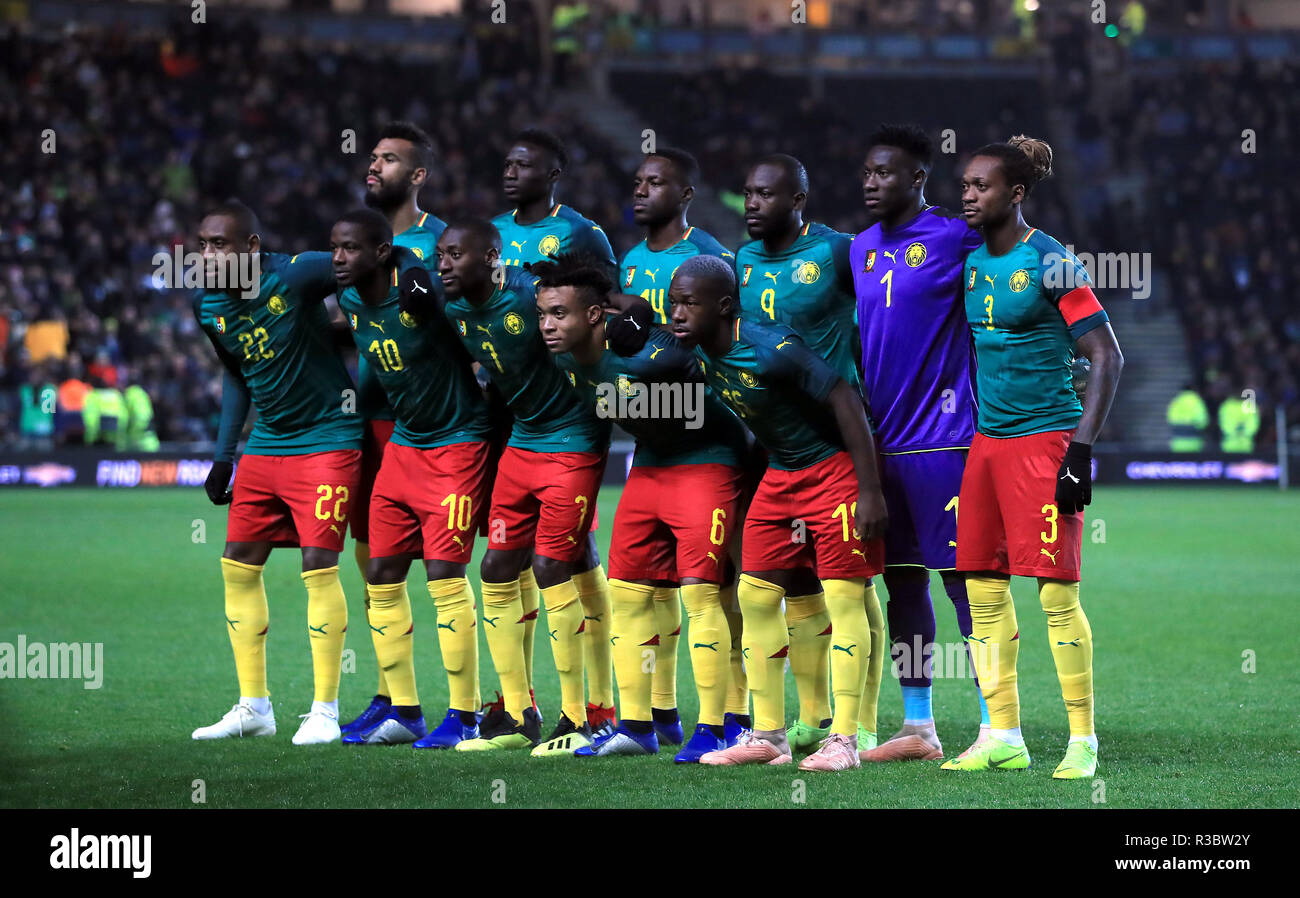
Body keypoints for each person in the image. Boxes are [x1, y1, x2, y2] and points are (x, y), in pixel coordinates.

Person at [943, 136, 1123, 779]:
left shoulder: (1052, 263)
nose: (967, 195)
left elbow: (1107, 354)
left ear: (1015, 193)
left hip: (1044, 443)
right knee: (982, 590)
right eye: (964, 184)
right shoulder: (969, 262)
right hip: (986, 446)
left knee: (1055, 594)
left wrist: (1080, 453)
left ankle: (1082, 741)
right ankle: (1004, 735)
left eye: (981, 186)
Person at [670, 255, 889, 772]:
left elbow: (843, 396)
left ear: (724, 307)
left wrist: (871, 490)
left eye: (688, 304)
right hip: (781, 474)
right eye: (674, 302)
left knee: (843, 599)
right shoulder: (695, 348)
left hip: (831, 469)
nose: (676, 313)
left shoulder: (768, 346)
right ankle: (769, 734)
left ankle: (845, 740)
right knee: (754, 593)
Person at [539, 253, 749, 761]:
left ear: (593, 316)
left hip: (709, 461)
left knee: (703, 595)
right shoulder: (563, 356)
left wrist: (638, 317)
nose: (547, 325)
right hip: (650, 466)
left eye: (559, 314)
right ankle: (636, 727)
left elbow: (679, 352)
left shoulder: (643, 350)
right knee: (630, 593)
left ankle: (720, 724)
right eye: (543, 314)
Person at [434, 219, 612, 754]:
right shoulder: (457, 311)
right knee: (495, 566)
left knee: (554, 565)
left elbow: (600, 316)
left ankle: (581, 717)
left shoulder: (531, 298)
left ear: (488, 258)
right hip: (523, 441)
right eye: (439, 254)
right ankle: (517, 716)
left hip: (574, 440)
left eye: (454, 254)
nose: (442, 264)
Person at [191, 200, 363, 745]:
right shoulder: (208, 306)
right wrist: (224, 454)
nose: (208, 253)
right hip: (267, 445)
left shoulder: (297, 274)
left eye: (220, 243)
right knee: (238, 564)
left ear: (251, 248)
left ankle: (325, 710)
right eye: (203, 244)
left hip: (329, 439)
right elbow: (236, 376)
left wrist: (363, 311)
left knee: (318, 563)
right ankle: (254, 707)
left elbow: (371, 264)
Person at [851, 123, 990, 763]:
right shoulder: (857, 249)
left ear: (917, 179)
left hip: (945, 440)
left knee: (967, 583)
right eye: (868, 172)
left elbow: (1020, 252)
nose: (872, 182)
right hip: (880, 446)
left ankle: (999, 723)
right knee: (903, 586)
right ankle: (918, 728)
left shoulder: (956, 235)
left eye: (886, 173)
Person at [332, 208, 494, 748]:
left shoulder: (427, 295)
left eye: (349, 248)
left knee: (445, 573)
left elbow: (481, 339)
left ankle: (465, 714)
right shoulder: (352, 301)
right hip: (404, 445)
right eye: (334, 248)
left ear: (380, 253)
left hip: (457, 443)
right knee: (380, 571)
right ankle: (404, 710)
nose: (337, 258)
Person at [734, 153, 879, 754]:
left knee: (856, 590)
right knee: (777, 589)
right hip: (781, 452)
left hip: (841, 437)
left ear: (797, 201)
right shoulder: (740, 262)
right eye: (747, 193)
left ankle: (857, 726)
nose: (751, 204)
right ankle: (782, 728)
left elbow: (890, 303)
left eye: (765, 195)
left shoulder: (837, 251)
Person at [492, 128, 620, 734]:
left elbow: (607, 304)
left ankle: (591, 704)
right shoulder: (492, 234)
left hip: (571, 414)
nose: (513, 171)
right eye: (509, 162)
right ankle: (519, 705)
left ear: (553, 174)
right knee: (521, 561)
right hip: (516, 415)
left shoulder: (580, 232)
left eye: (526, 164)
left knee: (562, 559)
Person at [618, 145, 739, 743]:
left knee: (718, 587)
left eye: (656, 182)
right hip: (652, 446)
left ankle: (732, 718)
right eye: (638, 181)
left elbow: (713, 347)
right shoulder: (632, 258)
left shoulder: (710, 256)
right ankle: (654, 717)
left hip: (709, 441)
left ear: (685, 194)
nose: (641, 190)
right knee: (645, 586)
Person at [341, 121, 452, 738]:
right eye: (371, 157)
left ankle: (499, 700)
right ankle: (391, 695)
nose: (372, 167)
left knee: (466, 564)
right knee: (374, 560)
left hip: (441, 424)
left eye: (387, 160)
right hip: (375, 422)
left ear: (416, 177)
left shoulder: (440, 244)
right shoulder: (355, 243)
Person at [1166, 384, 1209, 452]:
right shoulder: (1196, 400)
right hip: (1193, 442)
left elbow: (1170, 419)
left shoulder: (1176, 401)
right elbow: (1203, 420)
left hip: (1177, 442)